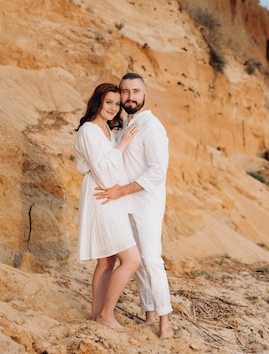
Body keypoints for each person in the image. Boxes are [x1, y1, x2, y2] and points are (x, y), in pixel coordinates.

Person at [94, 72, 173, 339]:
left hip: (147, 204)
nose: (130, 97)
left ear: (145, 95)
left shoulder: (153, 127)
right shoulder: (125, 125)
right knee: (135, 261)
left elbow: (157, 172)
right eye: (125, 92)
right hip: (124, 204)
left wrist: (121, 191)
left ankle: (165, 323)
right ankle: (149, 313)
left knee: (151, 260)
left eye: (135, 92)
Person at [74, 82, 141, 330]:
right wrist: (122, 146)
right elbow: (102, 172)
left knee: (107, 261)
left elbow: (108, 166)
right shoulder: (89, 131)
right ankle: (106, 315)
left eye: (116, 103)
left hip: (111, 197)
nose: (113, 108)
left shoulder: (106, 130)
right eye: (108, 102)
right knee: (132, 260)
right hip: (101, 197)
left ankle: (96, 316)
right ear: (98, 102)